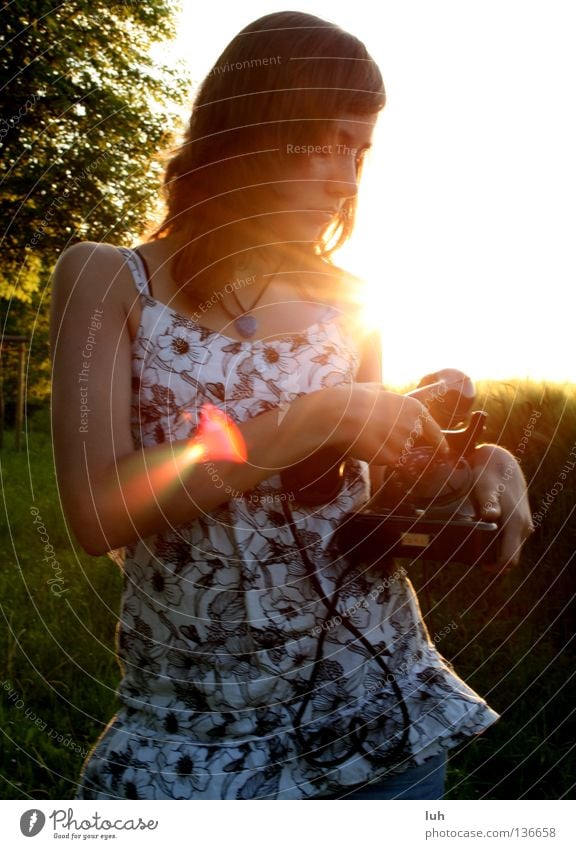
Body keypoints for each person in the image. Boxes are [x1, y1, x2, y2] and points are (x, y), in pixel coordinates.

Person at [50, 11, 532, 800]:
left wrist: (481, 466)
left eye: (361, 150)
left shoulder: (354, 302)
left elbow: (378, 495)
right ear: (250, 130)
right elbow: (98, 514)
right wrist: (312, 418)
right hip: (194, 743)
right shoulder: (107, 281)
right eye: (326, 144)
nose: (345, 177)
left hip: (379, 720)